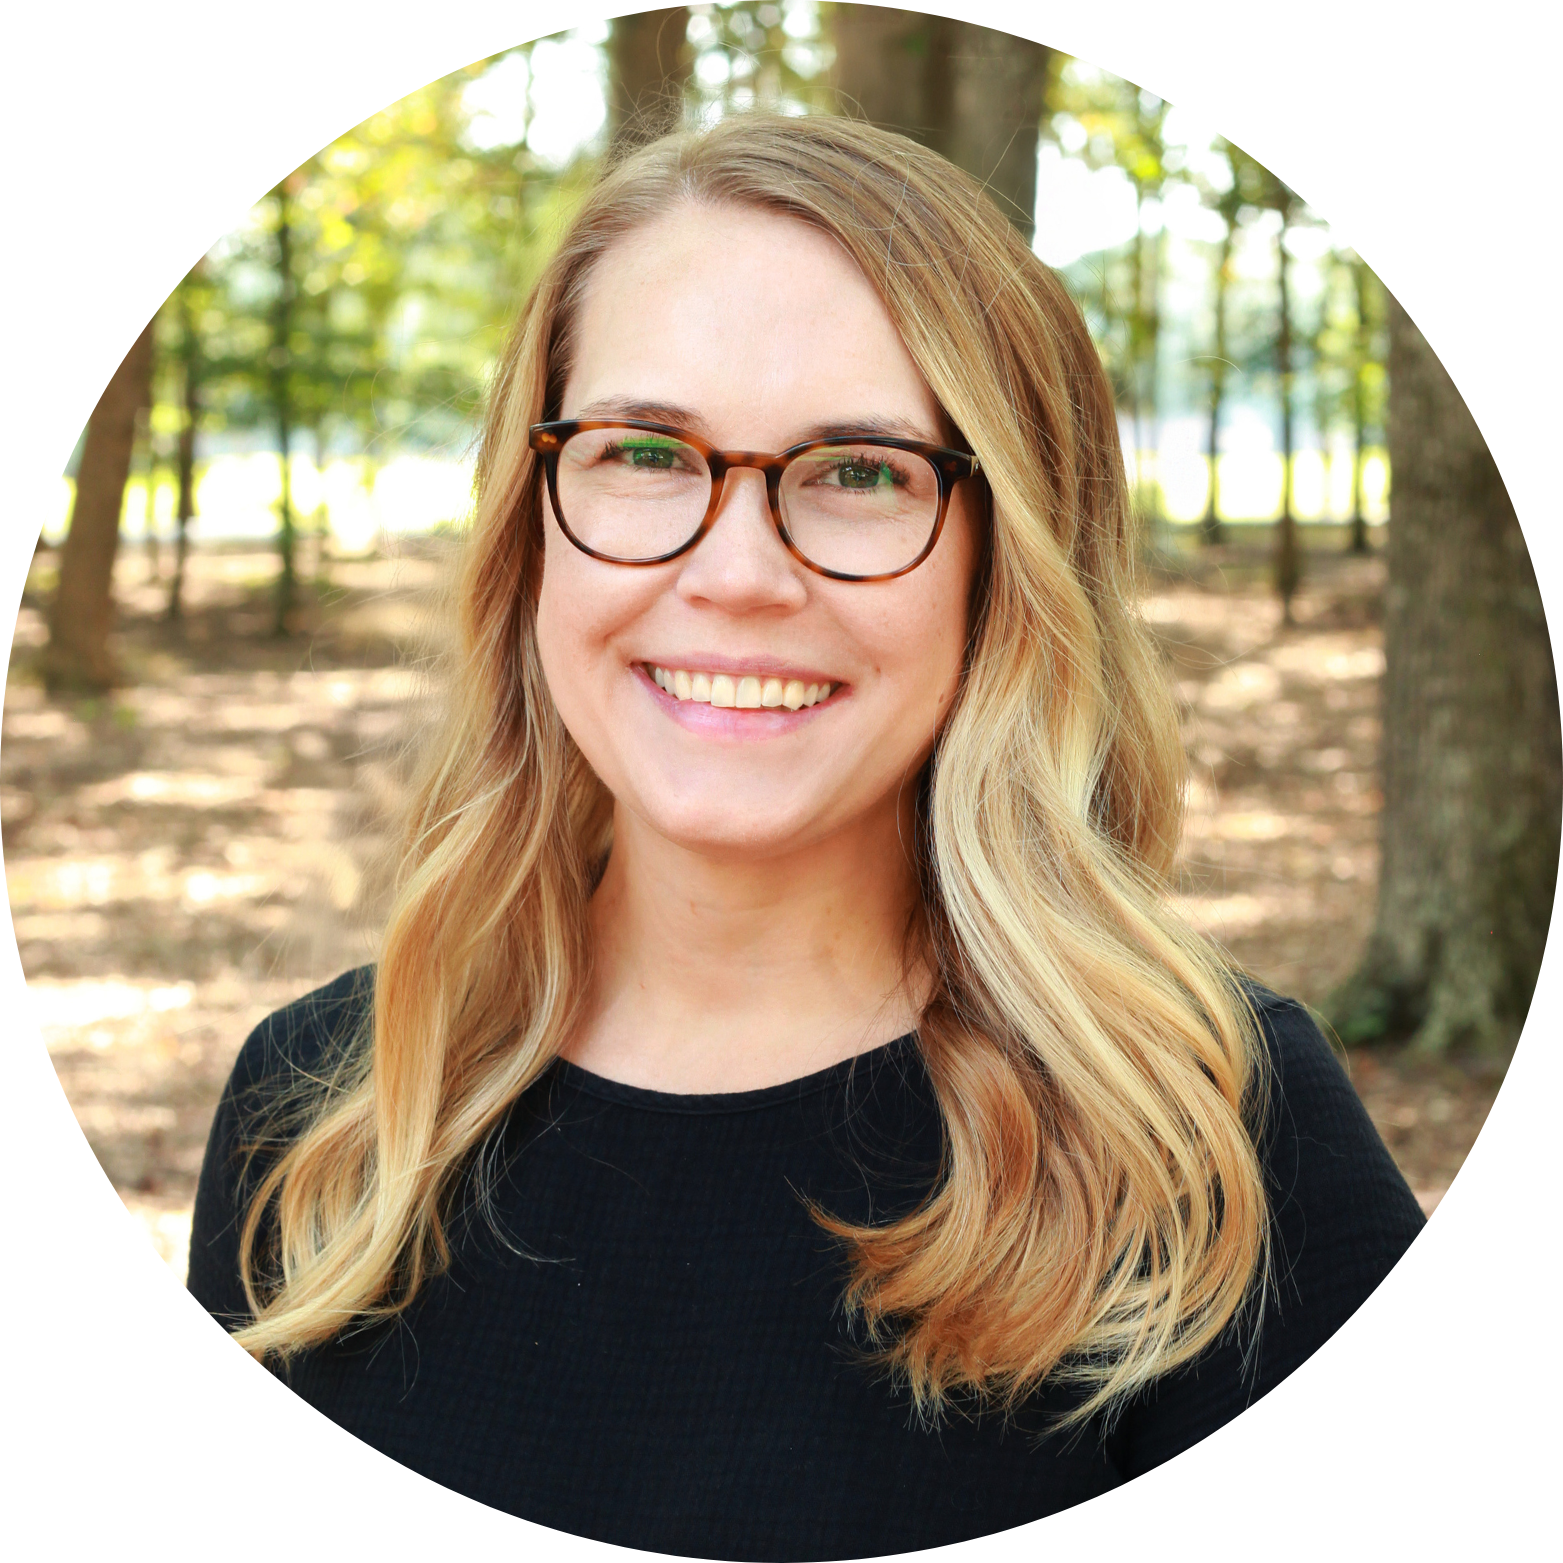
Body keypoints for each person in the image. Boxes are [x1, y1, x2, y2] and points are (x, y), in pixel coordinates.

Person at [188, 113, 1424, 1555]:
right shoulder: (323, 1113)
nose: (735, 572)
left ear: (1006, 559)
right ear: (530, 521)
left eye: (858, 471)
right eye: (646, 449)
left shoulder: (1209, 1137)